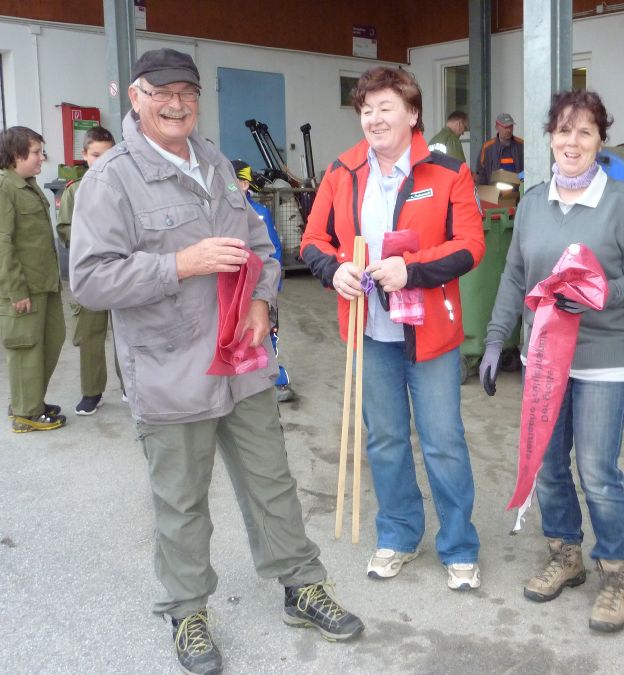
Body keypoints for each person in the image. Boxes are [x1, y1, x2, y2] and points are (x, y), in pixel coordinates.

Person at [69, 48, 364, 675]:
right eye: (161, 92)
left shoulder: (216, 163)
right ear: (136, 97)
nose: (176, 103)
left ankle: (299, 584)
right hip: (169, 369)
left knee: (272, 483)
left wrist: (262, 301)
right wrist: (181, 264)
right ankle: (187, 611)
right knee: (181, 500)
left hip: (242, 360)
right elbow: (91, 282)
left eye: (187, 92)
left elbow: (258, 244)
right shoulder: (111, 178)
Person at [479, 89, 624, 632]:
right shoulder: (533, 201)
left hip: (603, 357)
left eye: (584, 131)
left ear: (601, 139)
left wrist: (599, 294)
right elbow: (515, 275)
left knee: (598, 471)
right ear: (549, 138)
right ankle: (565, 553)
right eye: (563, 130)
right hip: (544, 358)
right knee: (550, 465)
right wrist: (494, 341)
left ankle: (616, 572)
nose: (572, 142)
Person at [301, 66, 485, 591]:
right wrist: (332, 269)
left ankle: (459, 545)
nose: (375, 118)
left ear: (412, 114)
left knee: (443, 440)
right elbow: (313, 239)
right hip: (368, 329)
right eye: (366, 109)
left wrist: (414, 270)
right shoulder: (343, 170)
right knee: (384, 439)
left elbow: (472, 244)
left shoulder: (447, 171)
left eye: (386, 107)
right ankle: (400, 534)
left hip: (430, 333)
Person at [0, 126, 67, 433]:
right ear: (16, 155)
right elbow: (3, 243)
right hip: (24, 288)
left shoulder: (28, 184)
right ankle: (26, 413)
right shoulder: (5, 189)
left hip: (44, 283)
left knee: (50, 343)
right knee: (26, 350)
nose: (42, 158)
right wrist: (16, 291)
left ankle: (32, 401)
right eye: (37, 152)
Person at [56, 126, 118, 415]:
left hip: (124, 270)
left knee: (130, 330)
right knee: (91, 333)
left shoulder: (125, 186)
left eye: (108, 154)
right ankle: (92, 392)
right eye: (96, 155)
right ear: (84, 155)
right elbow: (65, 229)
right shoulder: (75, 192)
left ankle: (133, 387)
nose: (102, 160)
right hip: (92, 273)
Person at [230, 159, 296, 404]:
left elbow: (272, 251)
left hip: (261, 289)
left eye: (232, 182)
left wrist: (271, 287)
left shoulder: (259, 213)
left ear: (245, 184)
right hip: (232, 290)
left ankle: (276, 378)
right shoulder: (220, 213)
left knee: (267, 333)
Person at [476, 112, 525, 185]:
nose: (509, 130)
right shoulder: (487, 148)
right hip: (495, 193)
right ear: (496, 127)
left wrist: (520, 181)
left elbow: (529, 170)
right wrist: (484, 192)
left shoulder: (521, 145)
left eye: (511, 126)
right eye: (505, 127)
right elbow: (481, 173)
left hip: (518, 192)